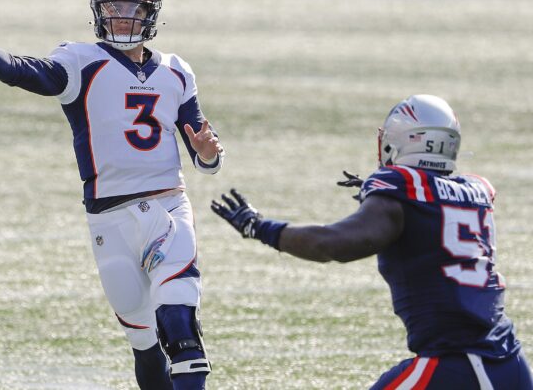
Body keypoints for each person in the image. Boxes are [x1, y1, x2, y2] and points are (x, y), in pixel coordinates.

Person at [0, 0, 222, 390]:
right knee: (143, 342)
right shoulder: (81, 62)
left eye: (133, 8)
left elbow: (204, 150)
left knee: (178, 322)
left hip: (166, 207)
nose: (124, 17)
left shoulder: (177, 71)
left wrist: (208, 154)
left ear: (150, 14)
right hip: (109, 220)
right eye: (115, 8)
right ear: (100, 13)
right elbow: (20, 70)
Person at [211, 94, 532, 389]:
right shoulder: (475, 191)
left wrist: (260, 228)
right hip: (510, 362)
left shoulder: (401, 190)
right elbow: (432, 210)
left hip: (458, 365)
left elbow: (332, 244)